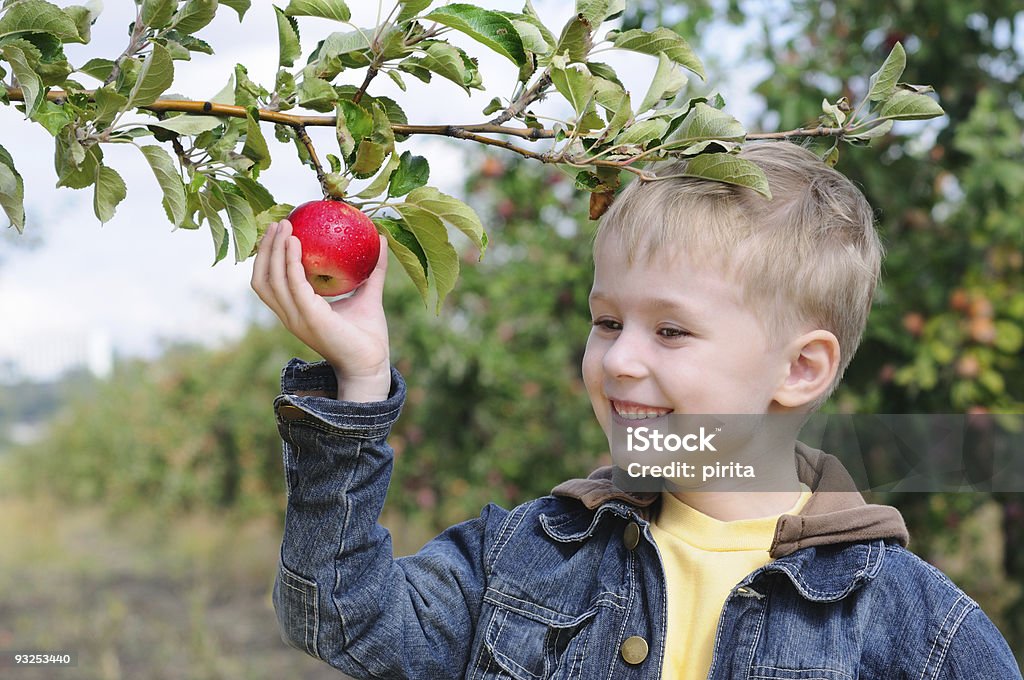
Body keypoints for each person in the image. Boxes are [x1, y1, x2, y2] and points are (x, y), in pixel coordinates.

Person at [251, 141, 1022, 679]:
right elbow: (339, 619)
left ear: (800, 367)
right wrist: (358, 381)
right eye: (607, 321)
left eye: (672, 330)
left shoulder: (913, 627)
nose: (618, 358)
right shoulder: (530, 557)